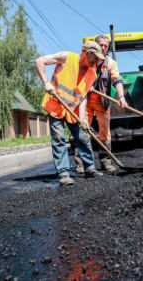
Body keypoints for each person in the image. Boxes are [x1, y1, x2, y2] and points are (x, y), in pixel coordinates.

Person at [35, 41, 104, 185]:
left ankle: (90, 168)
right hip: (55, 105)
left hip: (72, 109)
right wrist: (46, 82)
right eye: (95, 58)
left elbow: (82, 96)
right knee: (59, 138)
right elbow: (39, 61)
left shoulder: (92, 73)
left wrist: (83, 117)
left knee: (83, 137)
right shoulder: (67, 57)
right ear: (87, 53)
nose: (97, 61)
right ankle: (64, 173)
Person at [75, 35, 128, 173]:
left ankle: (106, 162)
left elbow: (117, 80)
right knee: (82, 130)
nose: (103, 47)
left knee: (105, 133)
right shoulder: (87, 59)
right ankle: (80, 163)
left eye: (106, 45)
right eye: (101, 45)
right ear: (96, 46)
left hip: (102, 103)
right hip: (84, 102)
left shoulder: (110, 63)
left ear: (108, 47)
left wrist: (121, 96)